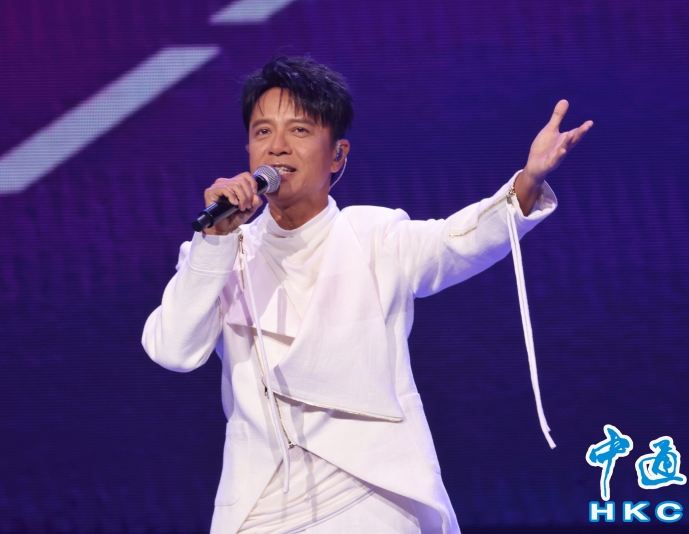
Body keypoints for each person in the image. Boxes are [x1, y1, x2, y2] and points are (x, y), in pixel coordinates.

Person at [142, 56, 592, 534]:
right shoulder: (221, 252)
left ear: (338, 155)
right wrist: (214, 241)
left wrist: (528, 181)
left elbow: (457, 242)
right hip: (263, 507)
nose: (276, 146)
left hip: (374, 494)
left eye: (299, 130)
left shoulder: (375, 236)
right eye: (262, 132)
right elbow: (173, 351)